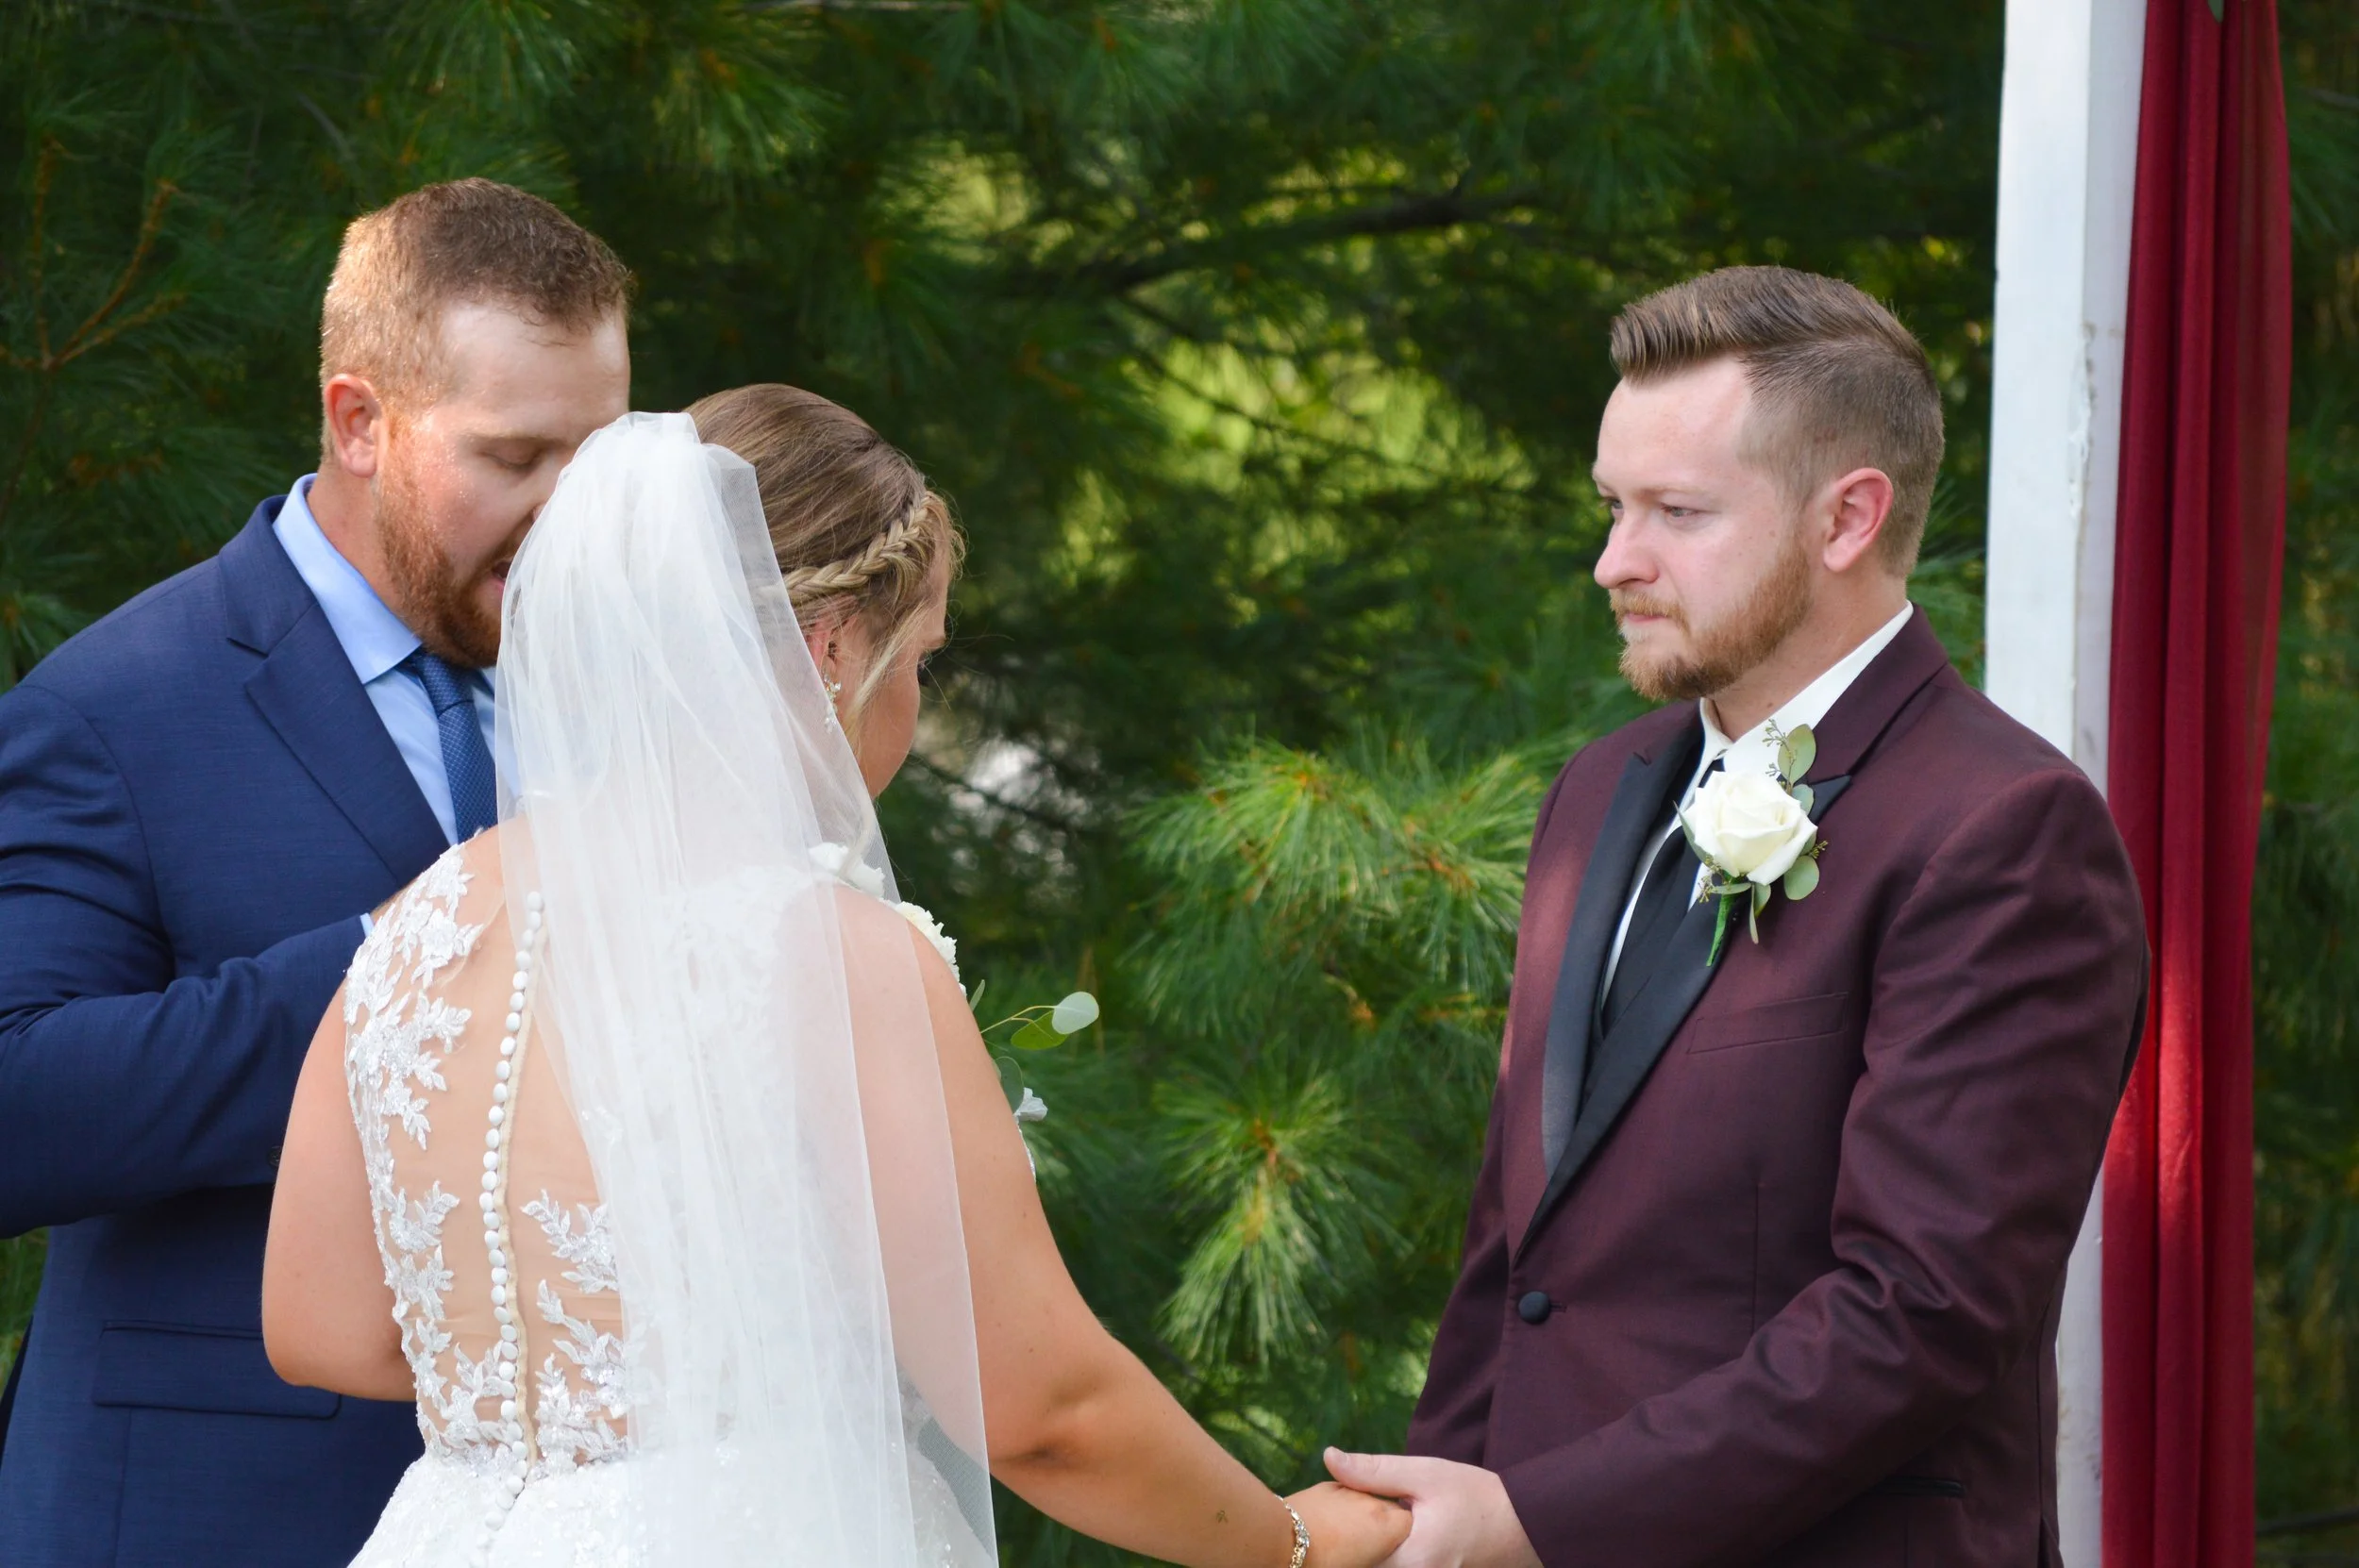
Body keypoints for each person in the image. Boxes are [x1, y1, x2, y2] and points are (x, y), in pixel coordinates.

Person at [260, 392, 1412, 1568]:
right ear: (835, 647)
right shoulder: (825, 953)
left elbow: (317, 1327)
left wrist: (569, 1403)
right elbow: (1038, 1408)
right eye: (917, 661)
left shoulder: (412, 932)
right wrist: (1290, 1542)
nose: (911, 707)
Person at [1323, 267, 2148, 1567]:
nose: (1614, 560)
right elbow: (1515, 1257)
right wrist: (1447, 1506)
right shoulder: (1600, 792)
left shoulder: (2001, 829)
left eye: (1678, 512)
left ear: (1846, 519)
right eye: (1611, 506)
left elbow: (1921, 1314)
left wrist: (1542, 1521)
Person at [0, 178, 629, 1566]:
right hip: (210, 1507)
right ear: (360, 420)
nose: (570, 514)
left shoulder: (626, 693)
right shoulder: (113, 705)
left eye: (599, 461)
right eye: (514, 457)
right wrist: (398, 957)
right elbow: (17, 1102)